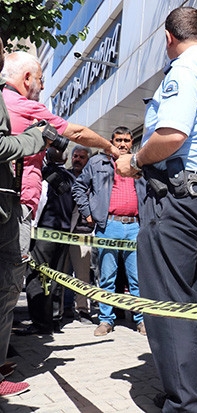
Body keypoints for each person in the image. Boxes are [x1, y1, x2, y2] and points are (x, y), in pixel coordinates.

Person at [115, 7, 197, 412]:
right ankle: (182, 393)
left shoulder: (184, 69)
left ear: (169, 38)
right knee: (187, 301)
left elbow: (171, 135)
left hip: (179, 196)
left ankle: (184, 404)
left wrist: (135, 161)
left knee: (166, 304)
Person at [1, 51, 119, 264]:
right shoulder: (28, 107)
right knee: (11, 271)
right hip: (16, 205)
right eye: (40, 79)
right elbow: (77, 133)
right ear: (27, 78)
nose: (42, 87)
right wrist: (109, 147)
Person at [0, 37, 50, 396]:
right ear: (28, 77)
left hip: (15, 207)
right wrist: (36, 138)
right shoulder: (21, 105)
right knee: (7, 287)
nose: (2, 56)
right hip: (11, 209)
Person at [72, 127, 146, 337]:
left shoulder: (139, 163)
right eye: (118, 140)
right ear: (111, 142)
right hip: (108, 226)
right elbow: (78, 187)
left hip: (135, 227)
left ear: (131, 143)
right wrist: (88, 213)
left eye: (126, 140)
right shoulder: (97, 162)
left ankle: (141, 320)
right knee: (107, 277)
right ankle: (106, 320)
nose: (122, 144)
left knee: (136, 278)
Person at [18, 147, 76, 335]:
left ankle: (40, 323)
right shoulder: (71, 178)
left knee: (37, 276)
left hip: (44, 232)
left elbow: (40, 201)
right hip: (64, 233)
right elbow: (76, 207)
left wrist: (32, 227)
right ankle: (55, 320)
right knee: (57, 276)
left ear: (46, 157)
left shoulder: (45, 174)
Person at [63, 145, 94, 322]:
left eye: (82, 157)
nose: (77, 160)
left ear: (88, 160)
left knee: (82, 276)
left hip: (84, 233)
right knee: (63, 273)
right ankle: (65, 307)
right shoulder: (65, 176)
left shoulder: (92, 179)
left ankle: (83, 309)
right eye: (75, 156)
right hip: (64, 233)